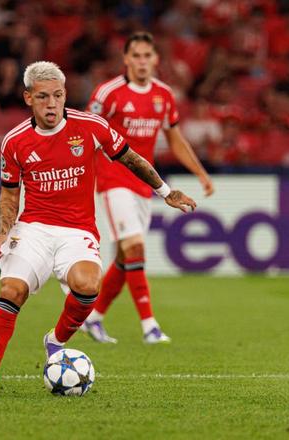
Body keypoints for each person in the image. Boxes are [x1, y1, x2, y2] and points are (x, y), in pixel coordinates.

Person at [0, 61, 196, 395]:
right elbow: (9, 193)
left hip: (78, 230)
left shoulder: (90, 126)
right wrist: (4, 230)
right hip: (33, 228)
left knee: (88, 285)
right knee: (11, 291)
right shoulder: (15, 141)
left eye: (58, 95)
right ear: (28, 97)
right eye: (43, 97)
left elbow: (130, 158)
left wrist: (165, 192)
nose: (52, 104)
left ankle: (55, 340)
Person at [81, 31, 214, 344]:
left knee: (126, 257)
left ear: (156, 59)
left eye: (147, 56)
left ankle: (94, 318)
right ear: (126, 59)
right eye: (136, 56)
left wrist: (200, 172)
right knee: (135, 247)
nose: (142, 62)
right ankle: (150, 326)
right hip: (113, 178)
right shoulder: (107, 93)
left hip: (145, 182)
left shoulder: (164, 95)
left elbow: (175, 139)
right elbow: (86, 132)